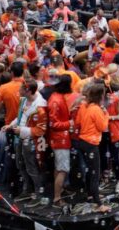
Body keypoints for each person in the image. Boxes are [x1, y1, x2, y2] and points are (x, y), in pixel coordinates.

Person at [3, 78, 46, 206]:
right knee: (20, 164)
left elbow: (41, 130)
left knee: (32, 167)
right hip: (20, 138)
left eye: (21, 88)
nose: (19, 90)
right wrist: (11, 125)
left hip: (31, 141)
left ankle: (39, 194)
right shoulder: (23, 100)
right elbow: (20, 117)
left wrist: (22, 130)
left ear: (28, 91)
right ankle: (27, 189)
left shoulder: (41, 106)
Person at [74, 83, 111, 212]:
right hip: (91, 144)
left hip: (82, 142)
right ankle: (99, 204)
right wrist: (105, 115)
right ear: (100, 96)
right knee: (95, 173)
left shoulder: (83, 106)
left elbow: (78, 123)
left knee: (90, 171)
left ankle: (90, 194)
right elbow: (102, 127)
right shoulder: (96, 109)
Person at [47, 74, 72, 207]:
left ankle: (59, 190)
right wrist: (69, 123)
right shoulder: (56, 100)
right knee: (63, 169)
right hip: (60, 140)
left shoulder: (55, 97)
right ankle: (57, 199)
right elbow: (54, 124)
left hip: (59, 139)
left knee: (58, 167)